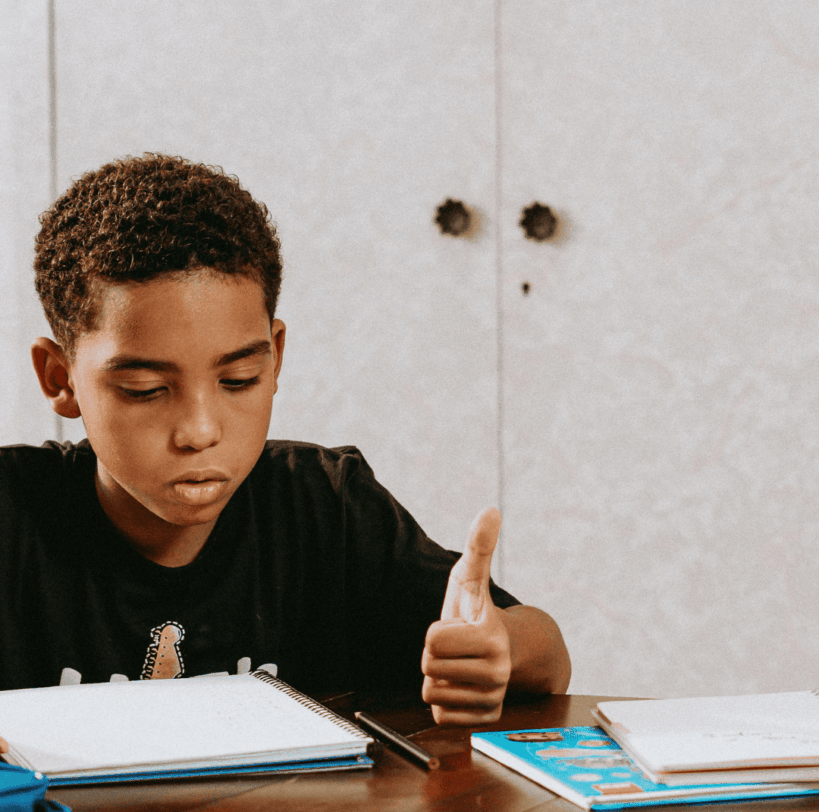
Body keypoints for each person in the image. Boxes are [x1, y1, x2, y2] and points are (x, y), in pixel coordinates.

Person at [0, 154, 569, 754]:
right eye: (146, 390)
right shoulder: (12, 520)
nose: (198, 431)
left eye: (239, 379)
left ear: (274, 357)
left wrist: (498, 644)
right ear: (60, 377)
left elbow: (549, 657)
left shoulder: (325, 506)